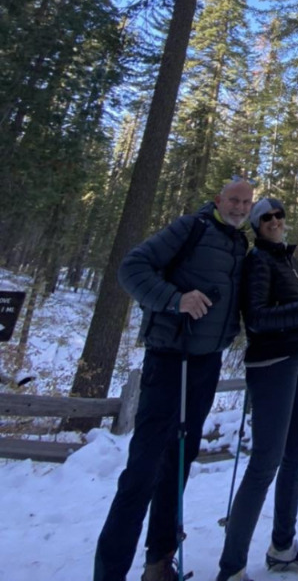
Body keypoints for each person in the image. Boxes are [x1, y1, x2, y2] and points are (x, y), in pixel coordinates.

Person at [94, 178, 254, 581]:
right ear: (219, 200)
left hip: (205, 364)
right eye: (233, 200)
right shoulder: (190, 228)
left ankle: (158, 563)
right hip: (169, 359)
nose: (239, 207)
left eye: (245, 202)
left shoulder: (240, 244)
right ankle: (109, 572)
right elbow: (131, 267)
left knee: (179, 463)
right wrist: (173, 299)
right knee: (143, 468)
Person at [216, 197, 298, 581]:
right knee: (265, 462)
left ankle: (282, 547)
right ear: (255, 224)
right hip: (271, 367)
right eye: (266, 217)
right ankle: (231, 568)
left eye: (279, 214)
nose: (275, 220)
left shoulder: (289, 261)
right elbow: (259, 319)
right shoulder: (259, 262)